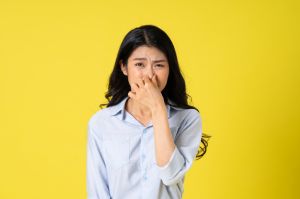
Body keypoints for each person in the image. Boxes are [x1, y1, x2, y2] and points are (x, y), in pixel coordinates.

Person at [86, 24, 209, 199]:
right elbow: (97, 192)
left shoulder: (187, 118)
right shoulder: (101, 123)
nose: (149, 75)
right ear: (124, 67)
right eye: (139, 64)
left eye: (159, 65)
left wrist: (157, 109)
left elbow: (170, 175)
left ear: (169, 69)